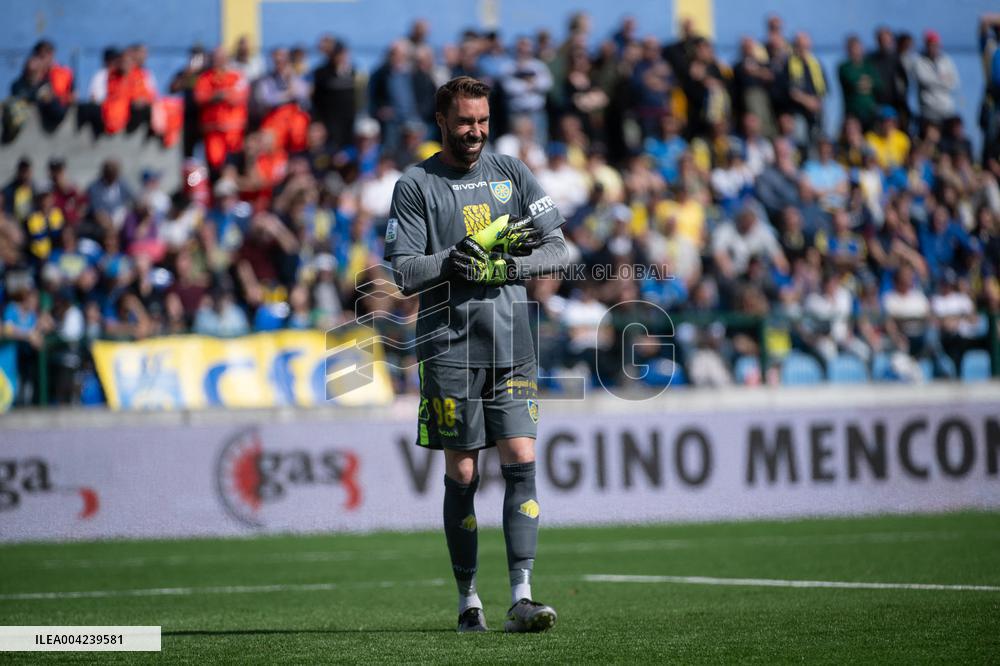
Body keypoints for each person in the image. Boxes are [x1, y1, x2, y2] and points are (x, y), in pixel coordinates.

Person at [384, 76, 568, 633]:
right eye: (465, 121)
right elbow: (404, 271)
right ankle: (468, 602)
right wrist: (452, 259)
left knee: (520, 460)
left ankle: (522, 596)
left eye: (483, 120)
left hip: (512, 346)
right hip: (447, 350)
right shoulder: (416, 184)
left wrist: (507, 267)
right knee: (463, 472)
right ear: (442, 120)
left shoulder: (511, 173)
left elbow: (558, 248)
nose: (476, 131)